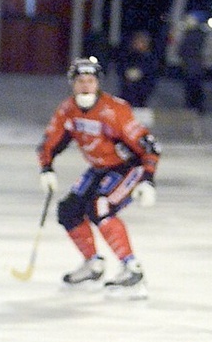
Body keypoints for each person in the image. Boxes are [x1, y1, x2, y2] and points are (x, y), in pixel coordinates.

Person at [37, 57, 161, 300]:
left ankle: (132, 268)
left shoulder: (114, 111)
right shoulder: (67, 110)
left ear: (98, 83)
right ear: (72, 83)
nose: (85, 86)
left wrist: (147, 180)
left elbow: (149, 147)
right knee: (69, 210)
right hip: (100, 168)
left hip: (128, 167)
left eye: (90, 81)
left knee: (100, 206)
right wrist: (47, 168)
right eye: (80, 81)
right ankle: (93, 264)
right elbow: (50, 142)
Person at [116, 30, 158, 108]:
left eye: (141, 42)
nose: (137, 44)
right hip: (128, 91)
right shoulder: (129, 56)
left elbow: (151, 74)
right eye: (136, 42)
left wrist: (141, 74)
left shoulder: (149, 58)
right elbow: (121, 68)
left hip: (141, 91)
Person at [178, 13, 206, 114]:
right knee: (196, 86)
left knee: (192, 86)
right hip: (195, 65)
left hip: (192, 65)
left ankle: (193, 107)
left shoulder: (192, 34)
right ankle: (197, 106)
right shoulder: (199, 34)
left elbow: (183, 49)